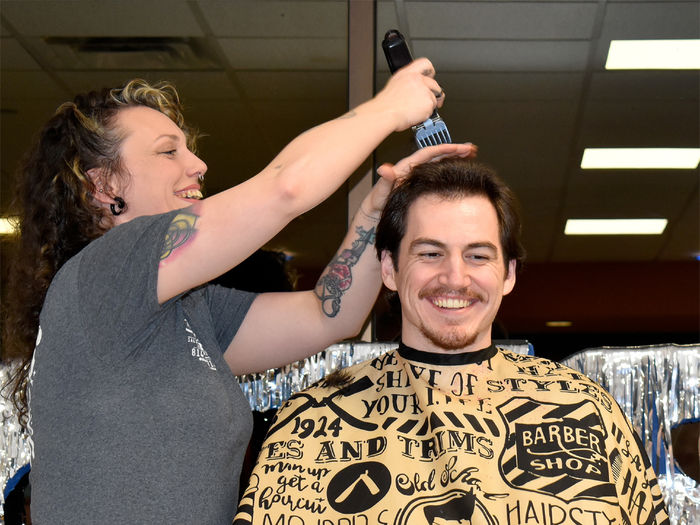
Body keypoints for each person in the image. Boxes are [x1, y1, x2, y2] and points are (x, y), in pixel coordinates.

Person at [1, 58, 477, 523]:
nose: (199, 164)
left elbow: (329, 314)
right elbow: (286, 188)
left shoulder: (190, 311)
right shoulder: (106, 272)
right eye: (169, 151)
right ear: (104, 185)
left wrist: (376, 216)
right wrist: (390, 107)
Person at [233, 159, 670, 525]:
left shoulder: (587, 410)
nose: (455, 278)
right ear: (389, 268)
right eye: (429, 253)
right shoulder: (311, 423)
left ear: (509, 274)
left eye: (478, 255)